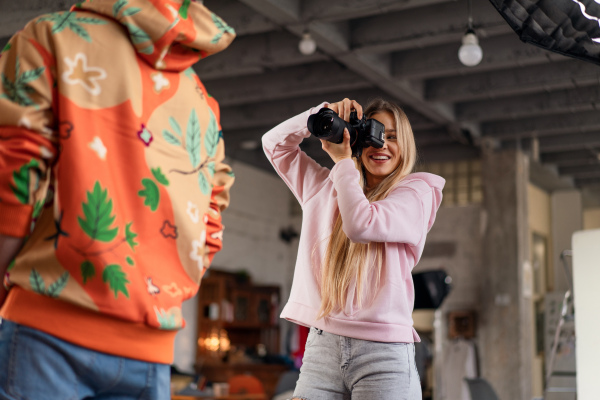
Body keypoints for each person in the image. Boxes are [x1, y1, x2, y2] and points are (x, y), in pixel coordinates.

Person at [0, 1, 235, 398]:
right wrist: (161, 290)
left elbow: (14, 179)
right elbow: (211, 220)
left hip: (47, 331)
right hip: (151, 353)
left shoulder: (52, 38)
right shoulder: (201, 102)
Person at [262, 97, 445, 399]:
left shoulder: (417, 193)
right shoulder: (323, 189)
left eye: (391, 137)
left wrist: (343, 163)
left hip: (383, 353)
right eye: (372, 134)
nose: (380, 144)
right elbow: (274, 144)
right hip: (323, 346)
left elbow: (362, 225)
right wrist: (320, 114)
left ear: (406, 145)